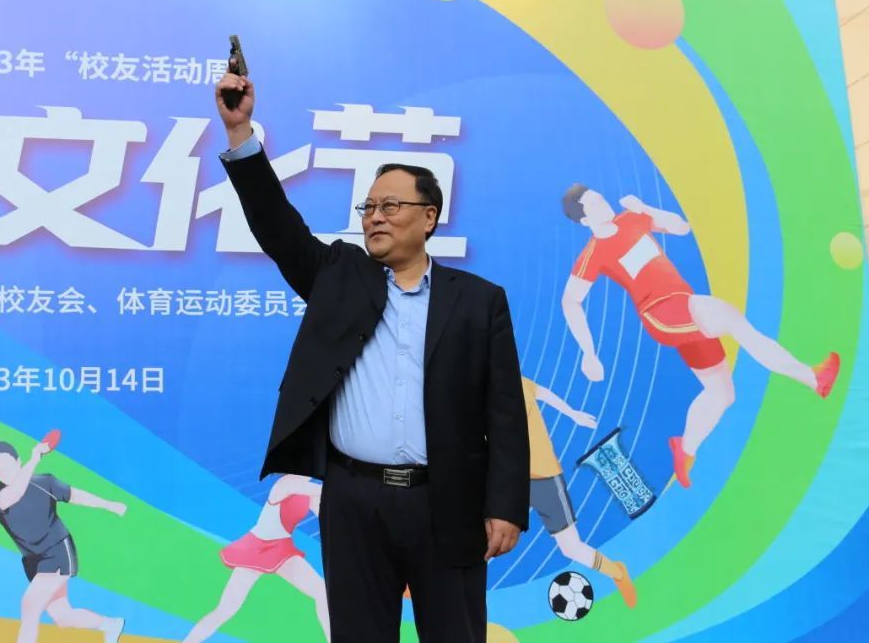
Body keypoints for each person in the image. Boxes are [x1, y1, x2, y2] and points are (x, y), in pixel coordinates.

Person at [214, 73, 530, 642]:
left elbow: (504, 411)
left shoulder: (479, 302)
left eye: (391, 205)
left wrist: (505, 505)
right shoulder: (339, 277)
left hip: (447, 499)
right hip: (354, 499)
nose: (375, 216)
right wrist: (240, 133)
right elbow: (275, 224)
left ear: (429, 217)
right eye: (369, 206)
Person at [560, 186, 840, 488]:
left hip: (684, 303)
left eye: (601, 198)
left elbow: (681, 227)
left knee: (722, 393)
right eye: (593, 205)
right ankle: (814, 378)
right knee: (731, 318)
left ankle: (685, 450)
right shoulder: (593, 254)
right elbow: (570, 301)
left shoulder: (631, 218)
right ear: (584, 221)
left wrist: (645, 208)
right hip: (661, 313)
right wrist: (589, 353)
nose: (603, 204)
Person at [0, 440, 127, 643]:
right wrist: (34, 459)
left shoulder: (45, 483)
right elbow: (15, 494)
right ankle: (110, 624)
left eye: (5, 465)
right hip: (33, 560)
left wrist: (109, 505)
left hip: (57, 549)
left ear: (18, 461)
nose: (2, 471)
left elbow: (75, 495)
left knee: (30, 606)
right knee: (63, 617)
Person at [521, 377, 636, 607]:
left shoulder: (514, 381)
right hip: (507, 480)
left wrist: (573, 414)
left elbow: (543, 392)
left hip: (543, 476)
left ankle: (617, 573)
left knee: (570, 548)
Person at [183, 475, 329, 642]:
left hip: (281, 550)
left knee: (322, 593)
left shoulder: (310, 494)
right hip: (256, 548)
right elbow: (323, 491)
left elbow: (325, 516)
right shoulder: (286, 483)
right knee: (227, 608)